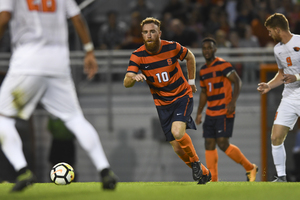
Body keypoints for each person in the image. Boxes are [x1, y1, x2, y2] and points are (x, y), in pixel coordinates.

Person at [0, 0, 117, 191]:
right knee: (75, 119)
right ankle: (105, 170)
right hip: (58, 63)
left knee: (3, 120)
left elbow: (4, 18)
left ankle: (22, 170)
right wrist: (89, 51)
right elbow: (77, 18)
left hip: (27, 62)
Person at [123, 17, 211, 184]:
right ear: (142, 35)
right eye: (145, 32)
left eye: (152, 32)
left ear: (159, 33)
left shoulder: (172, 47)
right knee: (177, 147)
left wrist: (191, 81)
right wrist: (133, 77)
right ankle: (204, 172)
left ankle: (196, 162)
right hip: (162, 105)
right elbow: (126, 82)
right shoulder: (137, 55)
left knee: (178, 132)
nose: (149, 35)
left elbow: (190, 56)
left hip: (181, 96)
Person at [195, 37, 258, 182]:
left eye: (210, 48)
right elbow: (204, 93)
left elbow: (237, 81)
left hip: (224, 111)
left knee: (223, 143)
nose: (207, 50)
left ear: (215, 50)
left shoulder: (223, 65)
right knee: (209, 143)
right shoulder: (203, 70)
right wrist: (199, 113)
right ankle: (214, 179)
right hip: (211, 112)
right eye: (204, 48)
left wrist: (233, 102)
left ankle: (250, 167)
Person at [257, 13, 300, 182]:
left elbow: (291, 75)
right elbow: (281, 74)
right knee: (276, 137)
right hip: (289, 97)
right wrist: (269, 85)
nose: (269, 35)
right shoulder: (277, 49)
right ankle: (281, 177)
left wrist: (296, 77)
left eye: (269, 31)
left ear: (277, 29)